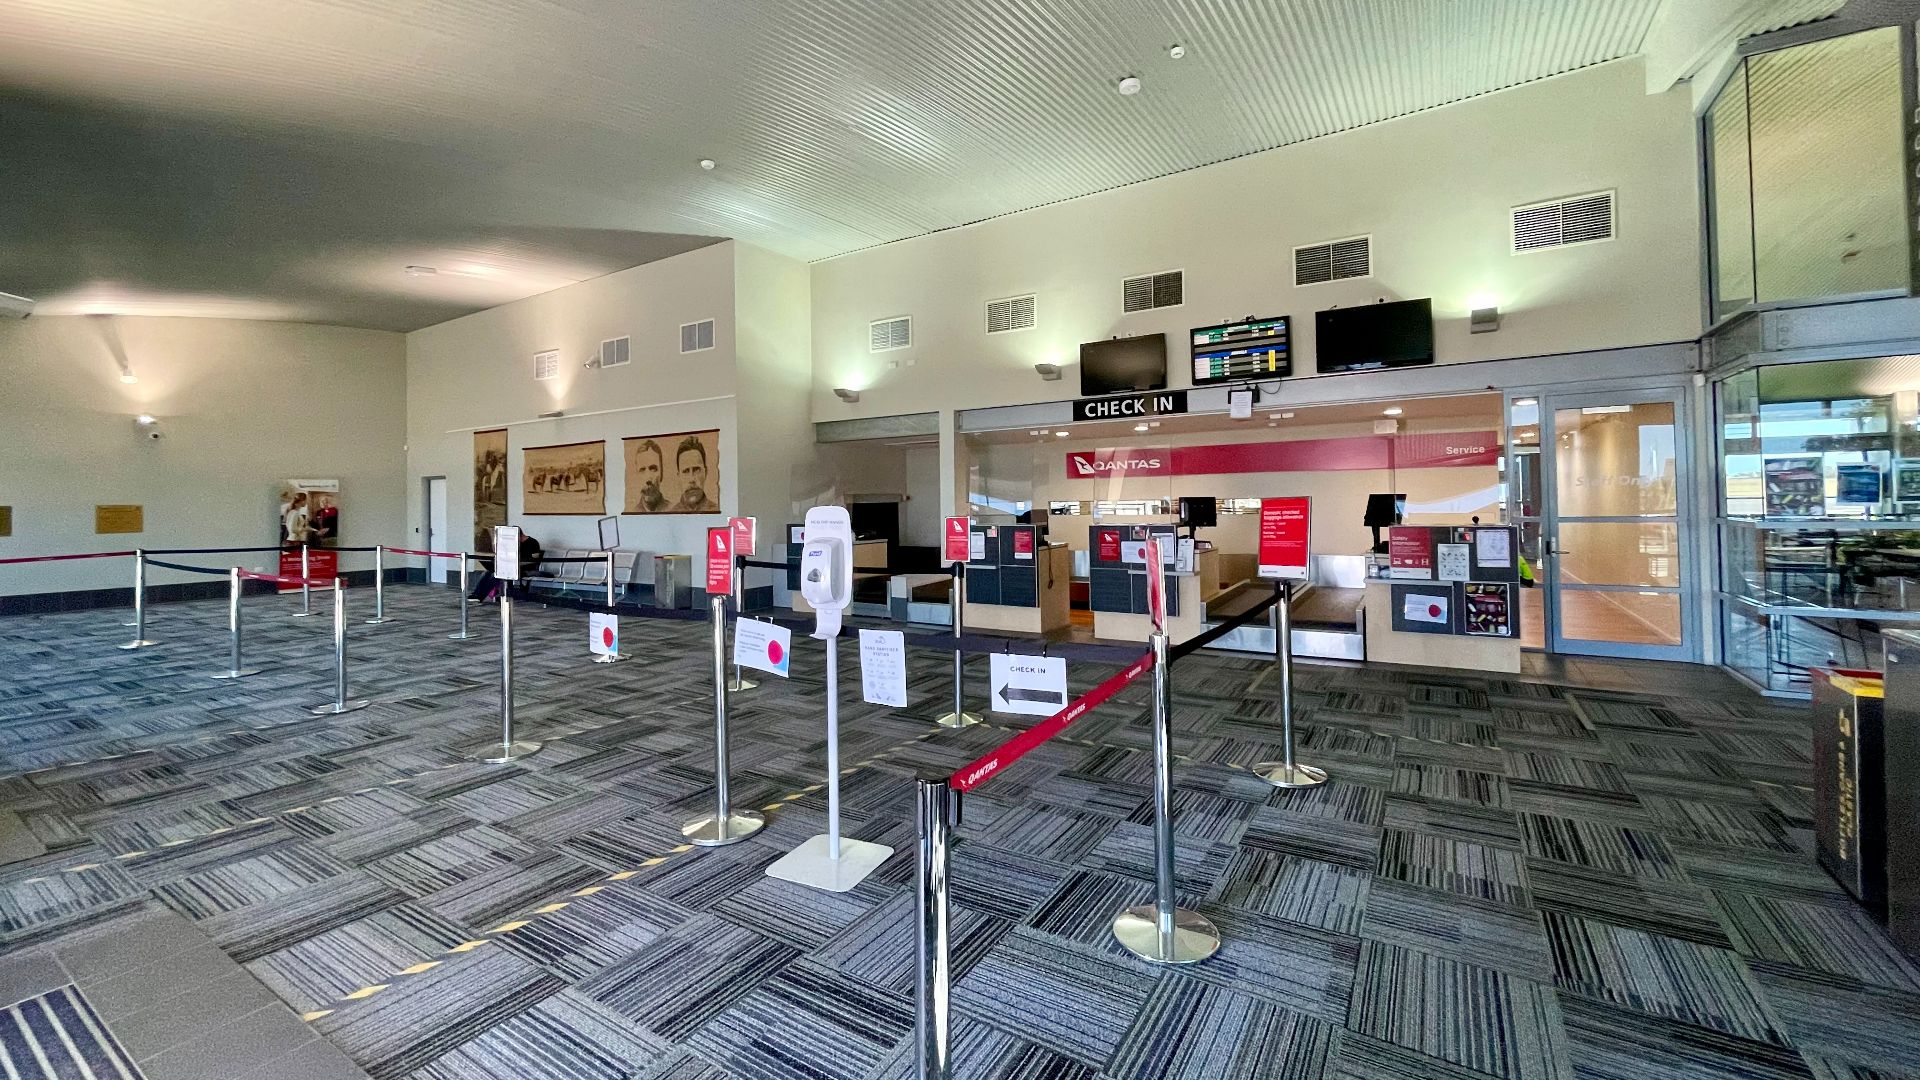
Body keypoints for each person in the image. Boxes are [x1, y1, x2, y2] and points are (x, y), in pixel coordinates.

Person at [672, 436, 717, 513]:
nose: (692, 479)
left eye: (696, 470)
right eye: (686, 471)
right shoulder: (670, 514)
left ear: (705, 472)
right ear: (678, 477)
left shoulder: (717, 510)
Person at [631, 439, 668, 512]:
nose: (648, 478)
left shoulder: (672, 509)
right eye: (642, 470)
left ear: (661, 472)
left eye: (653, 469)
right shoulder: (633, 511)